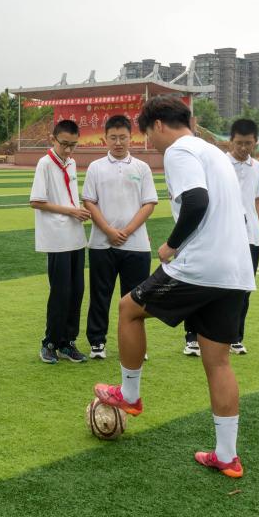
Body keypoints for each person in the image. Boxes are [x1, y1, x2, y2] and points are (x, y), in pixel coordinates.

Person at [93, 95, 255, 478]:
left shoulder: (179, 151)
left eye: (148, 135)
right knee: (218, 361)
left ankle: (129, 395)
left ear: (159, 125)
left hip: (200, 266)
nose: (150, 143)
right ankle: (226, 456)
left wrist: (171, 245)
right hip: (235, 271)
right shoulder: (214, 152)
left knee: (128, 309)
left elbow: (197, 202)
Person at [183, 119, 259, 356]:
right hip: (222, 233)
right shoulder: (219, 163)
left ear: (255, 142)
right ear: (230, 141)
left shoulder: (257, 167)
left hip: (250, 237)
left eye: (248, 143)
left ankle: (235, 337)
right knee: (205, 284)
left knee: (243, 288)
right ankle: (192, 337)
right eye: (239, 143)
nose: (243, 148)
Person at [82, 115, 158, 360]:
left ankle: (135, 345)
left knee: (136, 299)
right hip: (101, 244)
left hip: (136, 245)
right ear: (105, 138)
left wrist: (126, 231)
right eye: (113, 138)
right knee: (100, 295)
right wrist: (109, 231)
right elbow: (89, 202)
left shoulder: (142, 167)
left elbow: (149, 203)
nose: (118, 142)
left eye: (122, 137)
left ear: (131, 138)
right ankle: (97, 342)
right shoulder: (95, 167)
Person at [29, 120, 92, 364]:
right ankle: (50, 342)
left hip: (75, 236)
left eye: (73, 145)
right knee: (60, 292)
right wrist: (71, 211)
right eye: (64, 144)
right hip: (57, 238)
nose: (68, 149)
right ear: (52, 139)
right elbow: (36, 201)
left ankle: (68, 342)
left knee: (77, 291)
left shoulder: (71, 162)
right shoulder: (45, 164)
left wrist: (78, 210)